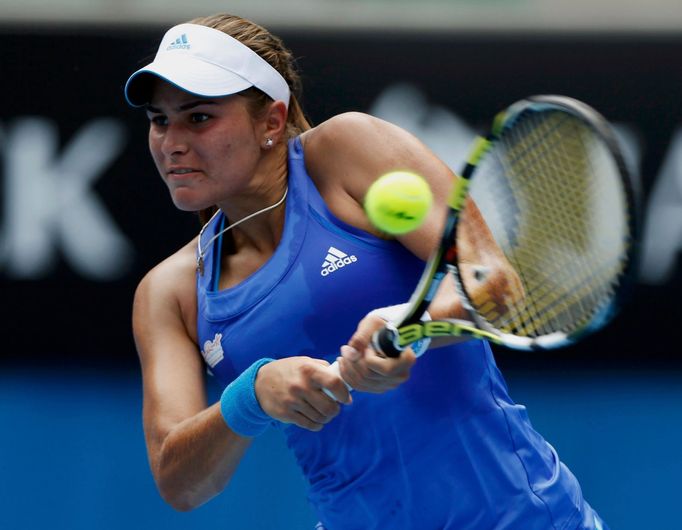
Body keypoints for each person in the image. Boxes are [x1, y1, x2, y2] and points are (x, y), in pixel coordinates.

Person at [126, 13, 609, 530]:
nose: (172, 142)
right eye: (160, 120)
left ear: (271, 121)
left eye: (198, 118)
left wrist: (411, 325)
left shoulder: (345, 151)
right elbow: (177, 481)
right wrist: (251, 395)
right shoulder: (170, 292)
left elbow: (494, 282)